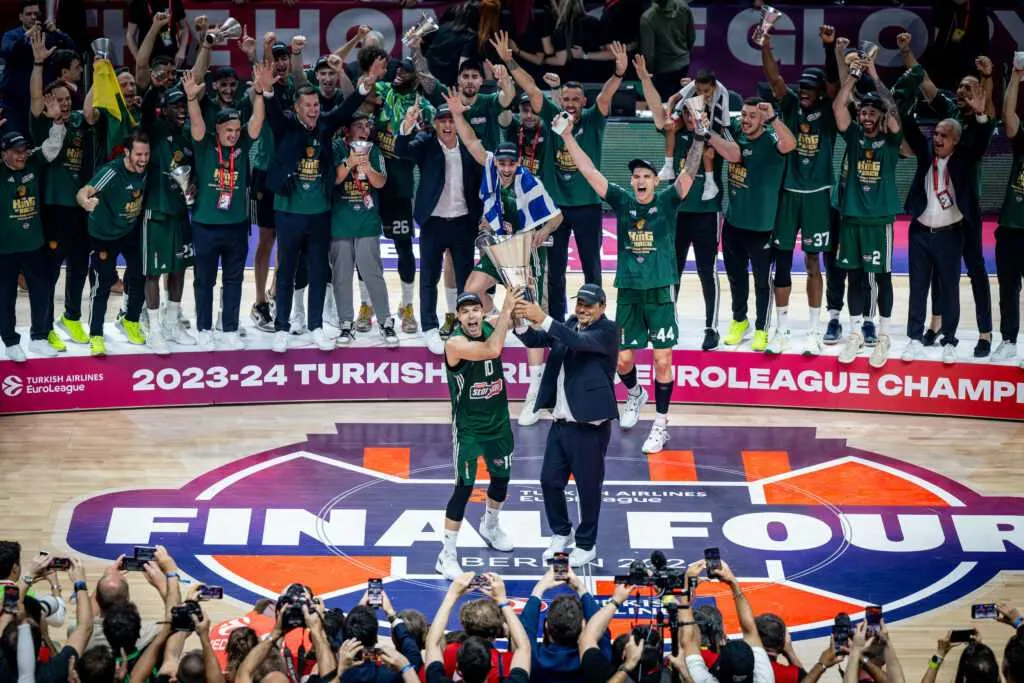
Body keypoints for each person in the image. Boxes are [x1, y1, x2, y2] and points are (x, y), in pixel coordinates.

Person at [558, 103, 698, 456]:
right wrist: (568, 137)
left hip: (660, 292)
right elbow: (588, 170)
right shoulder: (622, 201)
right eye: (636, 176)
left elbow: (689, 174)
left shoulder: (667, 201)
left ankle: (661, 425)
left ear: (655, 180)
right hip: (630, 293)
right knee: (622, 360)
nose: (640, 180)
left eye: (646, 175)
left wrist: (699, 137)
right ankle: (635, 393)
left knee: (662, 361)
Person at [492, 32, 630, 322]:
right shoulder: (553, 115)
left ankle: (595, 319)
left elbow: (606, 95)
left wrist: (619, 73)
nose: (569, 103)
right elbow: (532, 89)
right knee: (555, 269)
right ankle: (556, 321)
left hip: (588, 206)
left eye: (575, 99)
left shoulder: (593, 119)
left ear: (583, 101)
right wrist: (510, 62)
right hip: (555, 210)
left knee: (592, 267)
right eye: (566, 98)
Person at [446, 91, 562, 427]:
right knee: (471, 291)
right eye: (502, 163)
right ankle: (497, 325)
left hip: (524, 251)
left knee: (530, 317)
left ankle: (536, 391)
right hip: (498, 247)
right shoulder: (489, 167)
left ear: (518, 163)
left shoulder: (528, 181)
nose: (507, 168)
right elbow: (470, 141)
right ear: (496, 162)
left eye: (511, 163)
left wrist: (542, 232)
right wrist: (457, 115)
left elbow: (556, 217)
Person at [264, 69, 371, 354]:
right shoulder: (285, 125)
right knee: (286, 271)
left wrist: (362, 89)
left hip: (320, 213)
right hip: (288, 212)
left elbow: (344, 111)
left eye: (316, 105)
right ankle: (281, 328)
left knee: (319, 270)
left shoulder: (324, 124)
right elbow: (272, 112)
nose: (313, 110)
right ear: (297, 108)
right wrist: (267, 92)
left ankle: (316, 327)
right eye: (308, 106)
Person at [515, 283, 617, 566]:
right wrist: (519, 321)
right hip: (560, 423)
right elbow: (537, 340)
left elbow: (577, 342)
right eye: (579, 303)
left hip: (589, 426)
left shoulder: (608, 331)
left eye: (589, 305)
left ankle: (586, 544)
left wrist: (542, 317)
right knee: (549, 481)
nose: (582, 309)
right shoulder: (571, 324)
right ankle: (561, 532)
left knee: (588, 488)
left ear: (602, 307)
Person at [436, 290, 523, 580]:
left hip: (498, 423)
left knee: (501, 479)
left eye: (475, 309)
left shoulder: (491, 324)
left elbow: (522, 319)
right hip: (469, 428)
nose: (471, 315)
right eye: (465, 311)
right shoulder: (455, 343)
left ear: (483, 312)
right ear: (458, 318)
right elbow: (492, 350)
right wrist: (507, 311)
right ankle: (446, 555)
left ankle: (490, 526)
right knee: (464, 488)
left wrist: (522, 294)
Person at [762, 33, 838, 356]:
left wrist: (829, 49)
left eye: (810, 88)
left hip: (817, 195)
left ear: (820, 91)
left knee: (813, 262)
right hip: (788, 193)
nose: (804, 91)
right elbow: (774, 79)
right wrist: (765, 45)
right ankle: (781, 331)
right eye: (802, 87)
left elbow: (835, 85)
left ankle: (813, 332)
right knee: (781, 262)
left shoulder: (830, 112)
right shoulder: (791, 104)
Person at [641, 54, 724, 352]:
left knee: (706, 271)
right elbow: (658, 112)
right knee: (671, 270)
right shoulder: (674, 133)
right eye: (686, 114)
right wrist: (645, 79)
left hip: (706, 213)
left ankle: (711, 327)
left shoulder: (715, 134)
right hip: (676, 214)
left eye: (695, 114)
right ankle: (669, 323)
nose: (691, 119)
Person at [183, 67, 269, 349]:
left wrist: (259, 93)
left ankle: (229, 328)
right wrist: (192, 99)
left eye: (235, 130)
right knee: (204, 280)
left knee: (233, 279)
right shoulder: (204, 144)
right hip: (205, 225)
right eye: (228, 130)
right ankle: (204, 328)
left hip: (236, 225)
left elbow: (256, 121)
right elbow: (197, 122)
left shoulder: (243, 142)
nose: (233, 135)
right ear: (217, 129)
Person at [901, 101, 991, 365]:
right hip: (919, 233)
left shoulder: (963, 159)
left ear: (956, 141)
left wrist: (981, 115)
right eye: (936, 134)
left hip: (950, 234)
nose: (937, 139)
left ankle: (950, 341)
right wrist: (902, 105)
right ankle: (914, 339)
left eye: (944, 136)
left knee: (950, 289)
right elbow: (910, 129)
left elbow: (981, 139)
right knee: (918, 287)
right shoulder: (926, 152)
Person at [396, 103, 483, 356]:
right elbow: (402, 151)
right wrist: (407, 125)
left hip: (463, 222)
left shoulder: (470, 145)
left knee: (466, 280)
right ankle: (430, 327)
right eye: (442, 120)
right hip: (433, 222)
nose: (447, 125)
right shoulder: (426, 143)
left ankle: (464, 325)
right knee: (429, 277)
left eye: (451, 120)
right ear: (435, 124)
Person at [833, 55, 903, 369]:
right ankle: (855, 333)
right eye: (863, 111)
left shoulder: (891, 140)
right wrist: (853, 73)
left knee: (880, 278)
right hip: (851, 218)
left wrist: (873, 75)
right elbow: (839, 107)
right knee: (854, 277)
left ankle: (884, 336)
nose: (866, 116)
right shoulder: (853, 136)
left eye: (872, 112)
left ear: (881, 115)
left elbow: (893, 111)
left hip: (879, 220)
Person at [716, 98, 796, 352]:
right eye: (744, 115)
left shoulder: (772, 141)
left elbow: (791, 144)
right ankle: (740, 321)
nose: (746, 120)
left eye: (752, 116)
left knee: (762, 281)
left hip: (761, 227)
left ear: (763, 120)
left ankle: (762, 328)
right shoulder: (736, 133)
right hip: (732, 224)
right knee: (736, 278)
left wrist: (773, 117)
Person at [28, 27, 89, 351]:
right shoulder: (42, 123)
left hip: (80, 208)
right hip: (52, 208)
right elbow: (36, 100)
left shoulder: (78, 121)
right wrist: (39, 65)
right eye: (58, 100)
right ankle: (44, 326)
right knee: (50, 271)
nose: (63, 105)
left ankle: (72, 317)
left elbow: (91, 109)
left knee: (80, 265)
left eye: (67, 100)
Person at [371, 57, 432, 337]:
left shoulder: (422, 106)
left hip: (400, 187)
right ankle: (366, 305)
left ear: (415, 76)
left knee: (404, 248)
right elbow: (360, 91)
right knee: (366, 248)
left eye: (405, 71)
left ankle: (407, 306)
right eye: (397, 69)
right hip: (370, 184)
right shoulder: (382, 91)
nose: (399, 73)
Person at [77, 132, 150, 357]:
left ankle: (130, 321)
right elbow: (83, 192)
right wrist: (86, 202)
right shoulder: (111, 171)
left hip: (129, 231)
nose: (143, 159)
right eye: (138, 154)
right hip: (104, 235)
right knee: (103, 282)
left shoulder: (147, 169)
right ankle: (96, 334)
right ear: (127, 152)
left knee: (140, 273)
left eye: (146, 154)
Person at [330, 112, 398, 346]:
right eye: (359, 126)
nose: (365, 130)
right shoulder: (336, 147)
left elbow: (381, 182)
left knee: (372, 273)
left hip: (367, 222)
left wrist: (367, 168)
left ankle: (385, 322)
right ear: (347, 130)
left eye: (367, 126)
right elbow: (334, 180)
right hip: (340, 222)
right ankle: (345, 324)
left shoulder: (374, 150)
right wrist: (350, 162)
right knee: (341, 276)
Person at [138, 87, 197, 355]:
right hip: (156, 211)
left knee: (179, 268)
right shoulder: (156, 130)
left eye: (184, 105)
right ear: (164, 110)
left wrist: (193, 185)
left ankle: (172, 323)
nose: (182, 110)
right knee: (154, 271)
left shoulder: (188, 136)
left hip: (180, 212)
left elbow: (193, 171)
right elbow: (146, 111)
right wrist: (154, 86)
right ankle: (154, 330)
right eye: (176, 105)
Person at [0, 124, 65, 362]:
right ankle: (10, 341)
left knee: (41, 290)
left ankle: (38, 338)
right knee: (5, 296)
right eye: (16, 152)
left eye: (24, 150)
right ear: (4, 153)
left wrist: (57, 123)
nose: (22, 155)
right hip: (4, 249)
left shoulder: (33, 162)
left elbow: (52, 146)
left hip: (34, 244)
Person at [424, 572, 531, 683]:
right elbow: (523, 648)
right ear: (491, 666)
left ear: (458, 667)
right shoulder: (505, 660)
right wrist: (502, 600)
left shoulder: (449, 651)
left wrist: (451, 595)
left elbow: (433, 644)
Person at [994, 62, 1024, 366]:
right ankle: (1008, 340)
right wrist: (1016, 76)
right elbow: (1008, 115)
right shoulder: (1023, 141)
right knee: (1008, 288)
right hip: (1011, 228)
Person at [639, 0, 696, 100]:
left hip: (662, 71)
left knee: (664, 106)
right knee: (681, 102)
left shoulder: (648, 18)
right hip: (683, 64)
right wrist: (683, 54)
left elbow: (649, 54)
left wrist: (650, 74)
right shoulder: (684, 7)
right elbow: (691, 38)